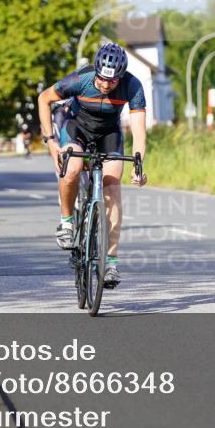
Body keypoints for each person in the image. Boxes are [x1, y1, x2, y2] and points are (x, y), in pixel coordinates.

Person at [36, 42, 148, 287]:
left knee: (113, 185)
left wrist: (138, 165)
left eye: (113, 81)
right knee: (72, 166)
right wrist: (50, 142)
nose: (106, 85)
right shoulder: (80, 79)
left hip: (109, 134)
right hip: (76, 127)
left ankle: (111, 263)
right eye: (102, 80)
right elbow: (44, 99)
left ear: (121, 76)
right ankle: (66, 222)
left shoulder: (132, 85)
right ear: (96, 71)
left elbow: (139, 131)